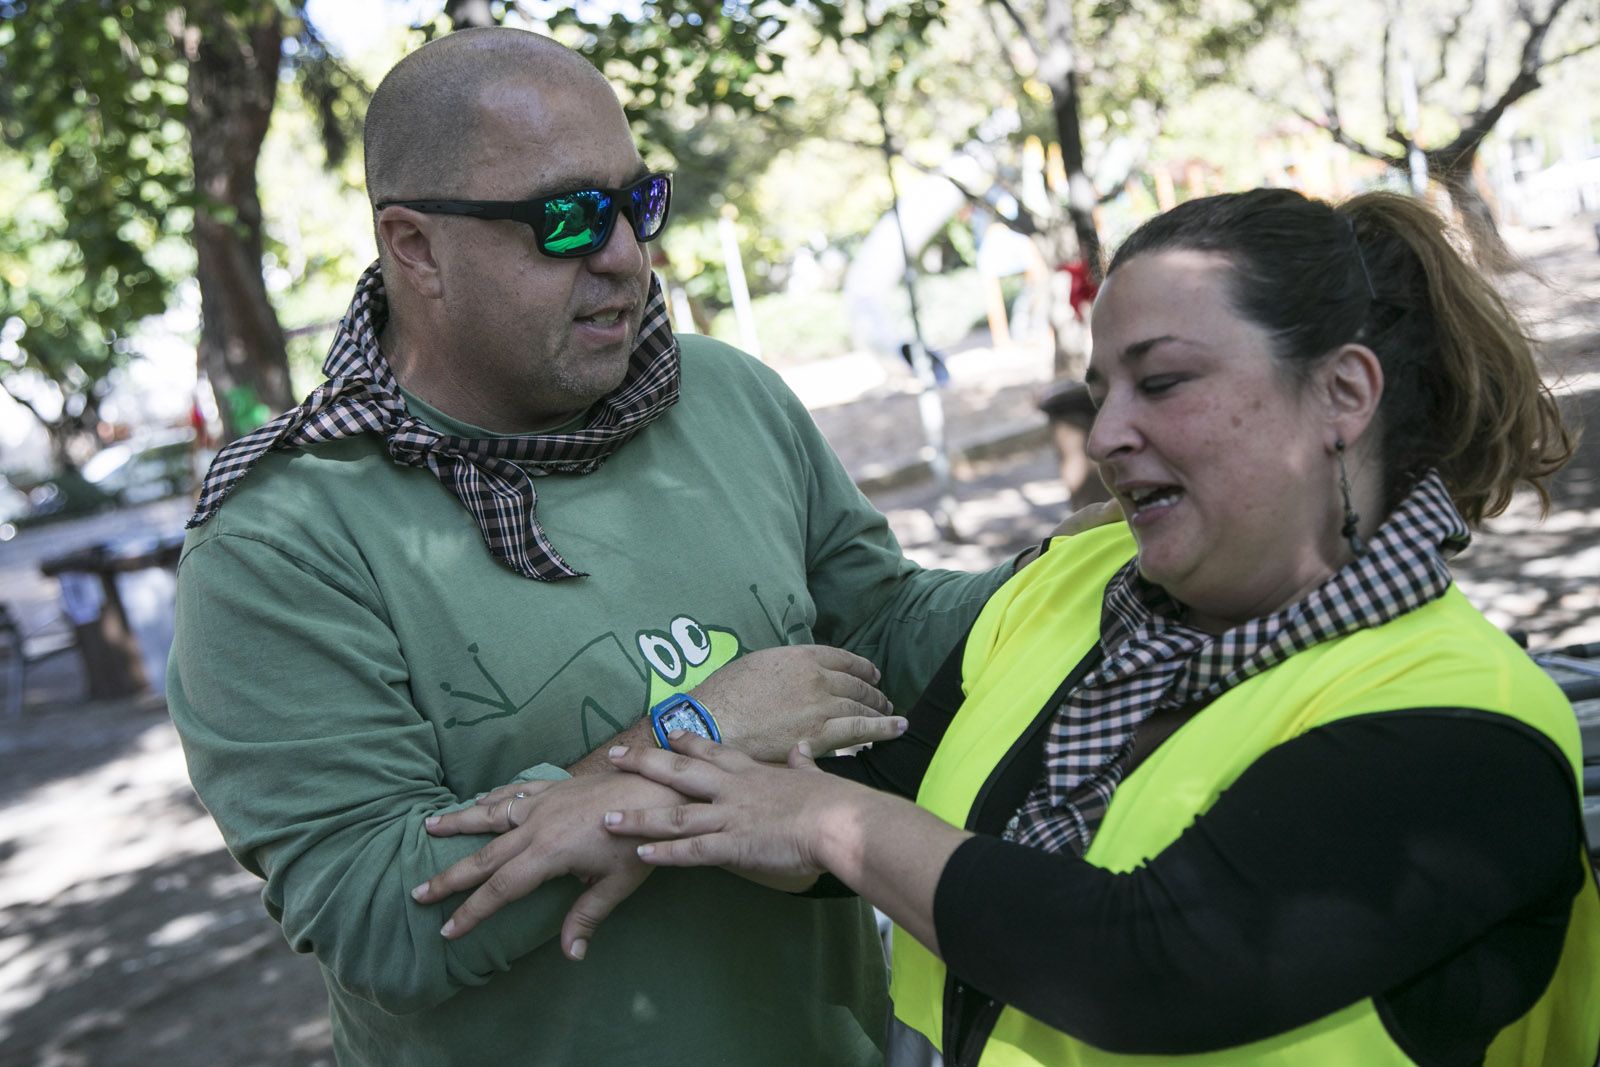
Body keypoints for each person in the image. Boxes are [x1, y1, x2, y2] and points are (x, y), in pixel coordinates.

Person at [167, 27, 1033, 1067]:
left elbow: (883, 631)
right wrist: (692, 736)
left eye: (638, 202)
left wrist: (1086, 571)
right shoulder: (280, 541)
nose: (624, 253)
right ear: (414, 247)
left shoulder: (723, 394)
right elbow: (385, 917)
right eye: (566, 218)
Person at [597, 188, 1600, 1065]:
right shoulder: (1078, 578)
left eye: (1160, 382)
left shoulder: (1467, 723)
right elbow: (911, 797)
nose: (1109, 432)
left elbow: (1146, 961)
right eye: (1100, 391)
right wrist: (633, 791)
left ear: (1342, 393)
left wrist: (825, 821)